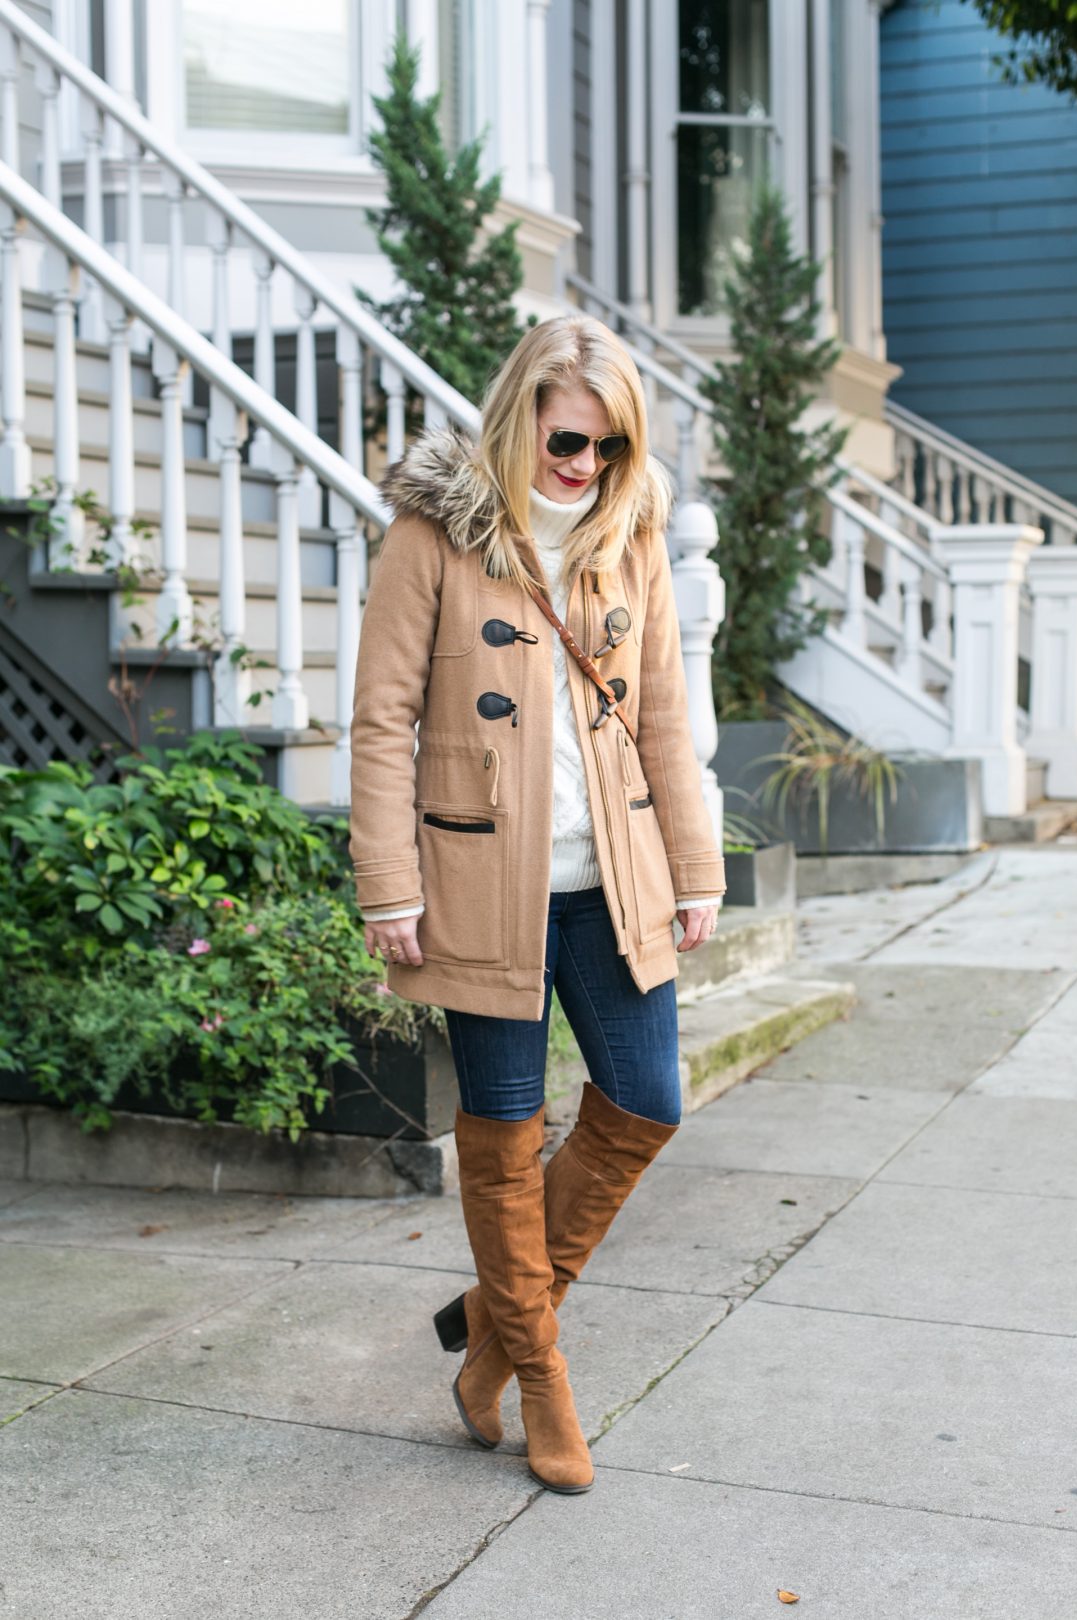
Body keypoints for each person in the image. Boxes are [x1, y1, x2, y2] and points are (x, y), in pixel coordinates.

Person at [348, 314, 726, 1495]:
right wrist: (388, 885)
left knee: (648, 1101)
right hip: (477, 882)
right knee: (505, 1137)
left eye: (613, 450)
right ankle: (541, 1375)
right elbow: (380, 722)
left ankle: (492, 1329)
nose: (589, 468)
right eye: (573, 441)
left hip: (614, 880)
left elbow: (662, 712)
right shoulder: (431, 537)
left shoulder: (632, 535)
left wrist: (699, 869)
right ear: (523, 414)